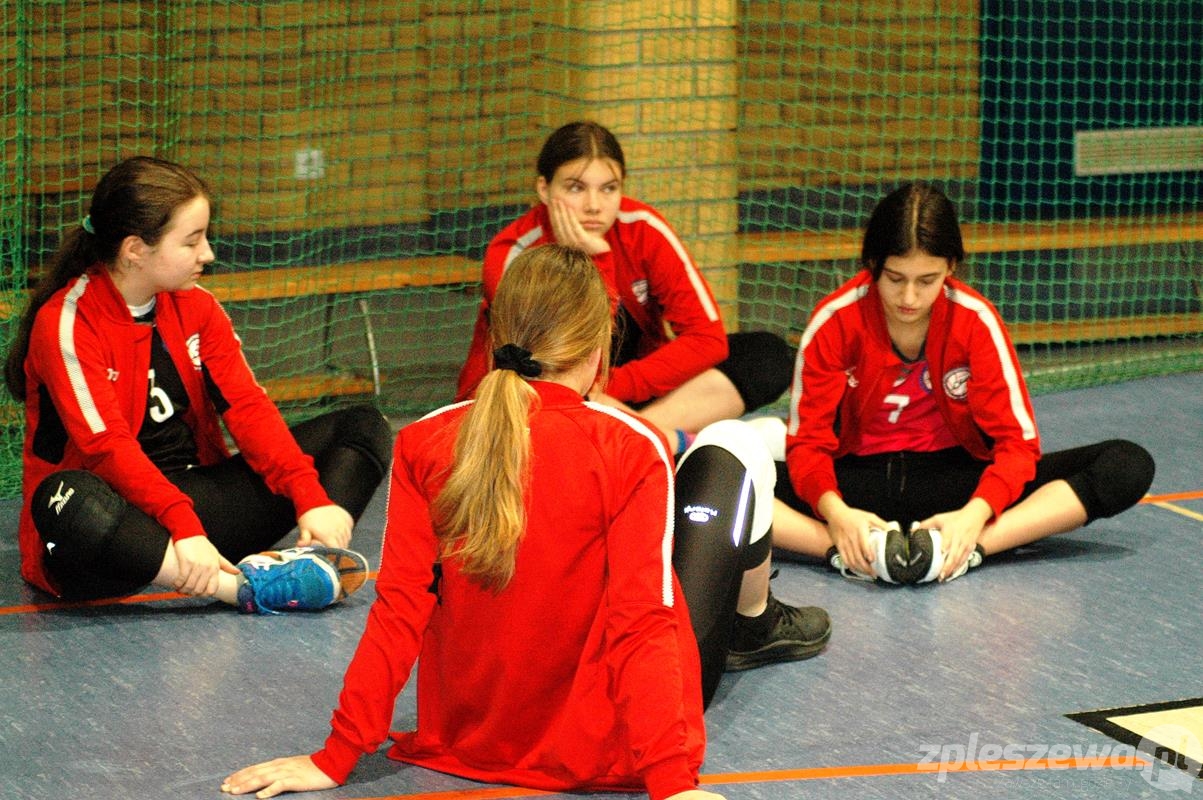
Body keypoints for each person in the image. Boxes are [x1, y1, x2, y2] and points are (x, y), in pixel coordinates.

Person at [222, 244, 830, 800]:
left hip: (469, 742)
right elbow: (641, 620)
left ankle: (757, 614)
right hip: (604, 747)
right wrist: (671, 782)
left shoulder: (424, 440)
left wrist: (335, 757)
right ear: (597, 351)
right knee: (735, 446)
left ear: (495, 336)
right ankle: (755, 622)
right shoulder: (628, 446)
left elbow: (399, 609)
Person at [3, 156, 393, 612]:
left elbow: (247, 407)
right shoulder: (67, 323)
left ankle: (317, 557)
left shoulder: (196, 307)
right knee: (63, 499)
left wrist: (311, 498)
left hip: (196, 509)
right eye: (191, 241)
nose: (207, 254)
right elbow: (107, 448)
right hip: (121, 528)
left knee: (362, 426)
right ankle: (242, 589)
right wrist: (183, 527)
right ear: (135, 250)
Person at [768, 182, 1155, 584]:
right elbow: (808, 444)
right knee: (726, 480)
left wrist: (976, 514)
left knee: (1127, 465)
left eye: (927, 280)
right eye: (895, 278)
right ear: (872, 264)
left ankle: (966, 547)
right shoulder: (834, 322)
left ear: (951, 266)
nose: (909, 298)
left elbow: (1017, 445)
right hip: (856, 487)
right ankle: (841, 548)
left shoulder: (975, 321)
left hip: (954, 486)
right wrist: (835, 513)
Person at [455, 120, 794, 454]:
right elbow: (554, 361)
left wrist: (618, 386)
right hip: (543, 392)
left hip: (620, 390)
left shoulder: (642, 228)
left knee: (766, 355)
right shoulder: (513, 252)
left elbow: (707, 338)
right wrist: (597, 259)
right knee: (554, 390)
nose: (594, 205)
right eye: (575, 188)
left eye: (609, 188)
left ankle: (640, 439)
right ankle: (661, 442)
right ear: (544, 189)